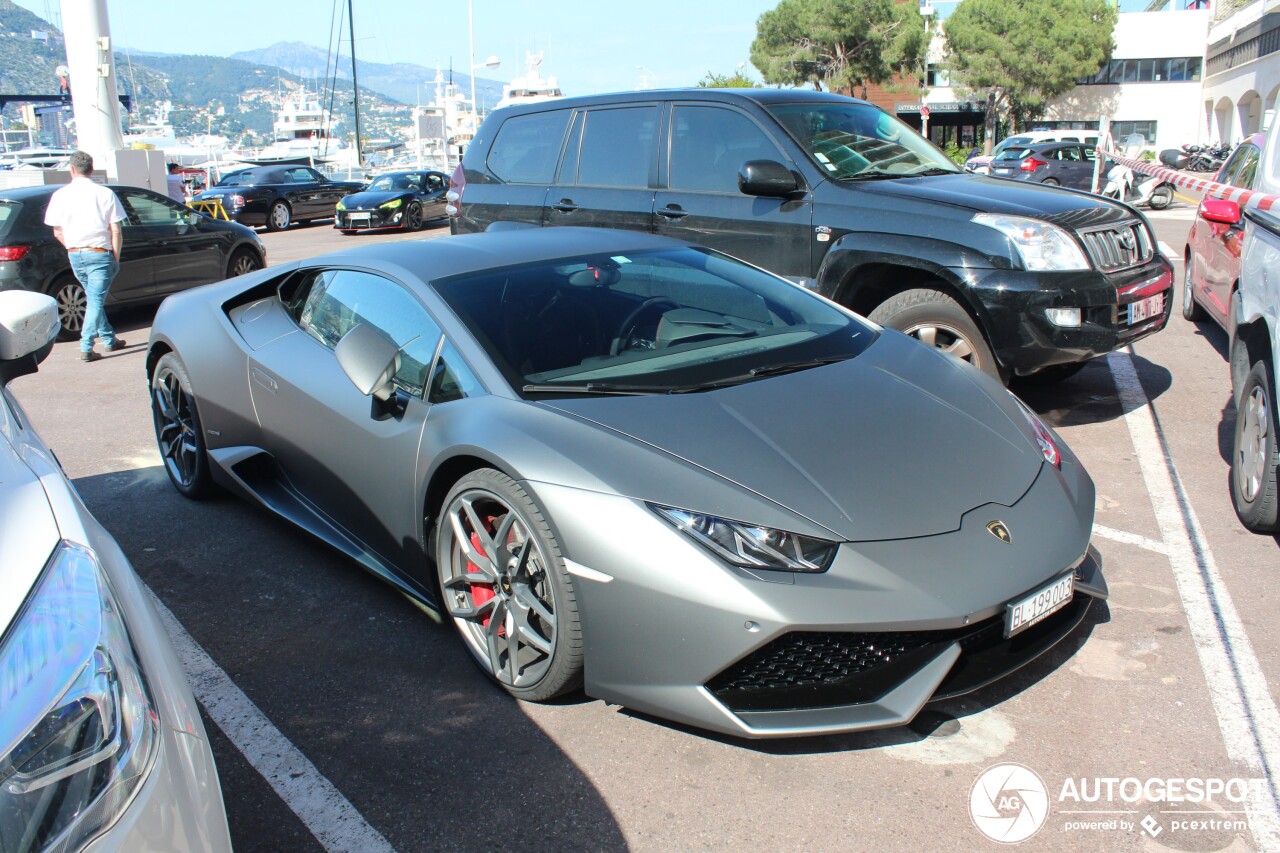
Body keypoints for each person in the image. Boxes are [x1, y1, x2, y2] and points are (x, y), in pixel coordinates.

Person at [43, 150, 127, 362]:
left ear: (71, 170)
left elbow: (57, 231)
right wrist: (115, 256)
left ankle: (108, 338)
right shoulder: (104, 193)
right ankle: (87, 345)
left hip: (75, 254)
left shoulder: (59, 196)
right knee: (96, 300)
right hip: (100, 252)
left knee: (93, 298)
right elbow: (116, 230)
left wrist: (73, 246)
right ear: (91, 169)